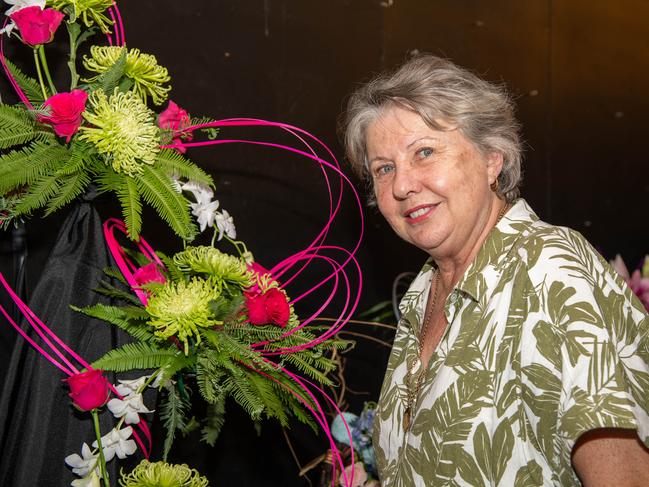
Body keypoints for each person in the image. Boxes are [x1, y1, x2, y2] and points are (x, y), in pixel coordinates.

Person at [342, 54, 649, 486]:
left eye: (424, 152)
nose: (401, 185)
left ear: (492, 158)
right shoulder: (424, 293)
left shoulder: (545, 269)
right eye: (384, 168)